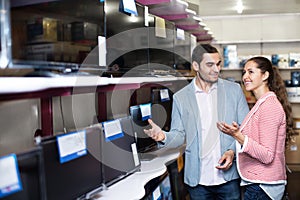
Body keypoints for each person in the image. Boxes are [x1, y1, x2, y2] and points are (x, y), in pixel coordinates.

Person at [144, 44, 249, 200]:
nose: (216, 69)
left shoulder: (234, 90)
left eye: (218, 64)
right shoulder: (181, 97)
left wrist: (232, 152)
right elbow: (179, 135)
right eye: (210, 64)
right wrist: (163, 137)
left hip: (229, 179)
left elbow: (246, 129)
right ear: (195, 66)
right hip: (198, 181)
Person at [217, 56, 297, 199]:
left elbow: (267, 155)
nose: (245, 77)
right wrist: (232, 151)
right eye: (244, 72)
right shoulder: (262, 103)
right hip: (259, 185)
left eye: (251, 72)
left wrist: (237, 136)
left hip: (263, 187)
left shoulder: (269, 107)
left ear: (265, 75)